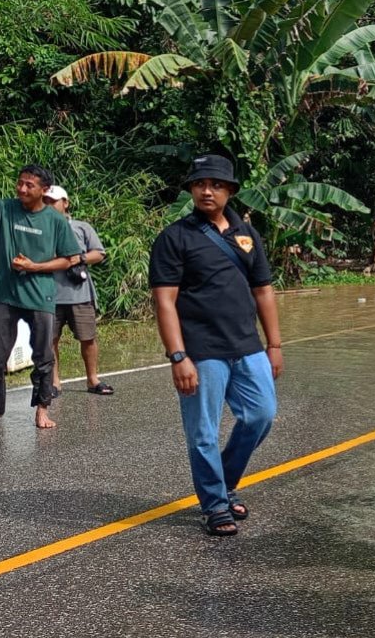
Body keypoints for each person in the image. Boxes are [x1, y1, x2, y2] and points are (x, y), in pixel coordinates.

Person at [149, 154, 282, 537]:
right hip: (201, 350)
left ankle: (223, 481)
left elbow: (264, 290)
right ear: (191, 189)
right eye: (200, 184)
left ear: (230, 190)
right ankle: (215, 504)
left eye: (217, 184)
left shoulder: (246, 233)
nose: (208, 190)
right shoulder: (175, 237)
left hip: (248, 346)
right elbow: (165, 301)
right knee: (203, 432)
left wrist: (273, 344)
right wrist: (178, 356)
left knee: (262, 415)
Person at [0, 164, 80, 429]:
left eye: (29, 185)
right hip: (5, 294)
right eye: (20, 182)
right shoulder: (5, 208)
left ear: (44, 191)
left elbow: (70, 259)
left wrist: (35, 267)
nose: (22, 188)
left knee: (43, 355)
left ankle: (42, 409)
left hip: (39, 297)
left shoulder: (55, 220)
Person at [43, 185, 114, 396]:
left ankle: (93, 380)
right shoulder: (39, 228)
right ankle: (55, 383)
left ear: (65, 203)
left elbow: (99, 253)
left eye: (53, 201)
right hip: (49, 294)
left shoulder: (82, 228)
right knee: (50, 340)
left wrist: (79, 259)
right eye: (45, 201)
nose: (48, 205)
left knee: (88, 337)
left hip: (79, 294)